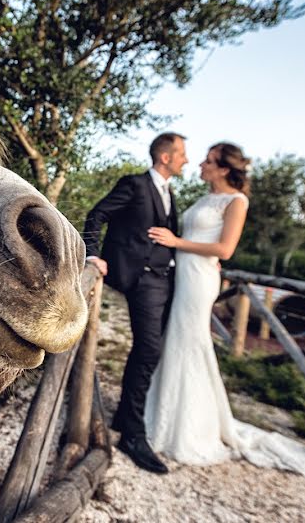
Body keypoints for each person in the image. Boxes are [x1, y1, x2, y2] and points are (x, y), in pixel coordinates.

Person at [144, 142, 305, 477]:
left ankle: (188, 428)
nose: (200, 164)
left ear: (224, 168)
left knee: (191, 344)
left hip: (199, 280)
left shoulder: (236, 201)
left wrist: (176, 242)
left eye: (208, 161)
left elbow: (225, 249)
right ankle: (161, 414)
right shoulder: (204, 198)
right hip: (182, 275)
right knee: (175, 342)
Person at [82, 132, 188, 474]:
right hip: (142, 279)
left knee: (151, 350)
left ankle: (126, 417)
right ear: (166, 157)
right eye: (182, 154)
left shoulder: (170, 191)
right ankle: (132, 433)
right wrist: (94, 256)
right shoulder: (135, 184)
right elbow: (97, 215)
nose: (186, 159)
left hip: (168, 278)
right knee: (149, 350)